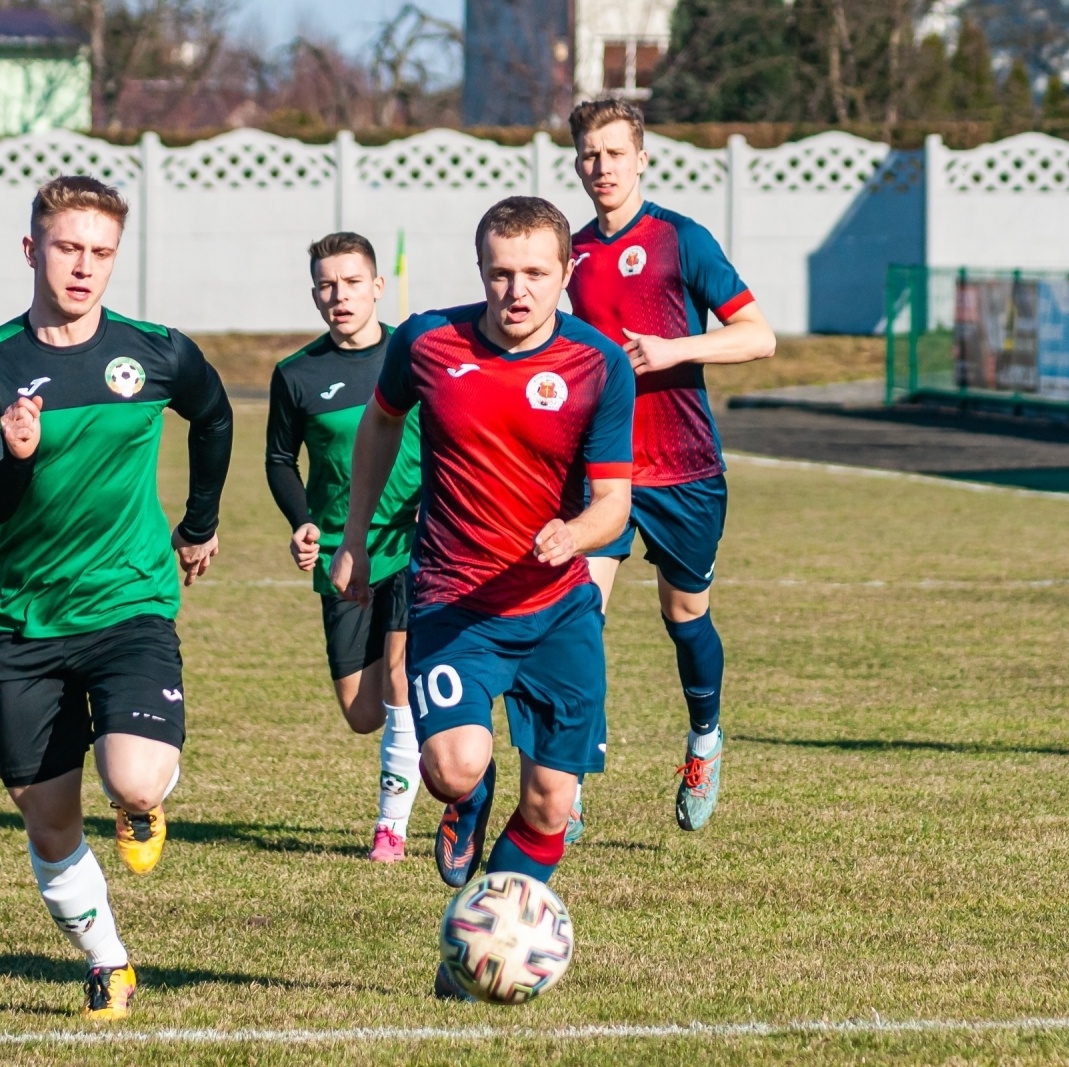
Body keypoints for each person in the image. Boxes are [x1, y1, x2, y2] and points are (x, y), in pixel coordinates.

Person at [0, 175, 232, 1020]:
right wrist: (16, 454)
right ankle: (110, 961)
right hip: (24, 623)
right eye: (68, 248)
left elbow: (213, 416)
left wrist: (199, 522)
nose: (84, 267)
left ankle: (141, 806)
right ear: (33, 250)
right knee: (49, 823)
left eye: (101, 252)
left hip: (130, 601)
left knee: (133, 779)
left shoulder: (155, 351)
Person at [329, 196, 635, 1000]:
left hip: (559, 608)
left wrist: (575, 533)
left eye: (536, 273)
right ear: (480, 271)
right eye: (501, 273)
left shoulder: (600, 364)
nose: (517, 290)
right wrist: (355, 535)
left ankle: (474, 948)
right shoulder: (426, 340)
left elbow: (615, 501)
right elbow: (381, 423)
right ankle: (468, 799)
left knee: (552, 802)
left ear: (566, 272)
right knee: (452, 766)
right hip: (455, 603)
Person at [561, 98, 776, 838]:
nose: (602, 168)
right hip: (606, 471)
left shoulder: (681, 239)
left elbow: (759, 336)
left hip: (685, 470)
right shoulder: (571, 253)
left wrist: (673, 349)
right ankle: (572, 767)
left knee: (684, 618)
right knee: (577, 615)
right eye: (590, 155)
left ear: (642, 157)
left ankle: (705, 740)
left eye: (615, 153)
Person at [265, 232, 425, 863]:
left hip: (416, 540)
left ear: (377, 287)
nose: (340, 296)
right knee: (363, 712)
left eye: (353, 282)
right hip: (344, 553)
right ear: (314, 294)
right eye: (327, 285)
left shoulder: (412, 356)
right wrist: (303, 521)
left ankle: (391, 828)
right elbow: (280, 460)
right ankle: (425, 738)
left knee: (399, 678)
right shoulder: (297, 375)